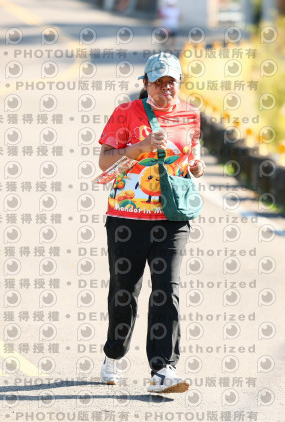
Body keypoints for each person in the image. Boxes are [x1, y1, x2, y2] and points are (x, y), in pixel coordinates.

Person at [97, 52, 206, 393]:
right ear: (146, 84)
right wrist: (140, 147)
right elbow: (104, 163)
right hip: (126, 218)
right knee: (124, 292)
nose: (165, 88)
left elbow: (191, 157)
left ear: (179, 83)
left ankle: (163, 369)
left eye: (171, 81)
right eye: (158, 82)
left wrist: (196, 166)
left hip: (172, 218)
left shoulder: (191, 115)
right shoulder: (126, 113)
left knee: (167, 290)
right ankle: (114, 354)